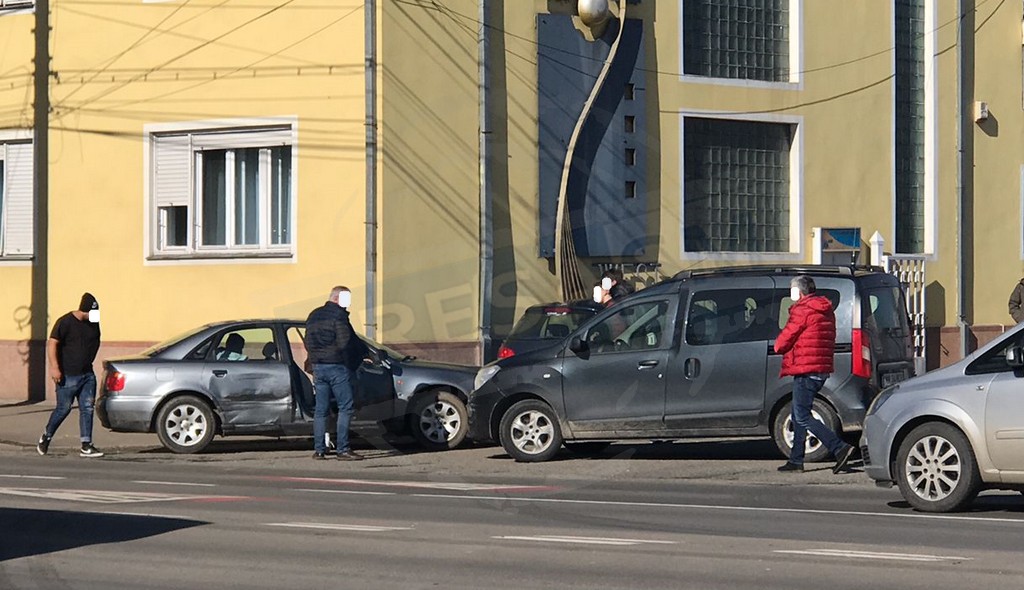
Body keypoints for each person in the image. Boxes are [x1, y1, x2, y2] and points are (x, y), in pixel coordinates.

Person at [774, 276, 856, 474]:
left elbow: (783, 341)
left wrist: (778, 346)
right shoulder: (824, 309)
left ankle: (839, 447)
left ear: (798, 292)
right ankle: (796, 459)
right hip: (821, 367)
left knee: (801, 416)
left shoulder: (803, 310)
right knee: (798, 412)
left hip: (806, 368)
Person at [305, 286, 369, 461]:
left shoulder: (313, 315)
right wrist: (353, 362)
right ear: (337, 298)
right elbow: (345, 343)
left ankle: (319, 451)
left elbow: (307, 341)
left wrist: (315, 358)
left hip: (318, 366)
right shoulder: (339, 316)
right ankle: (343, 449)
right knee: (346, 407)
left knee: (321, 410)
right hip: (336, 366)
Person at [36, 292, 104, 458]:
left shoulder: (93, 323)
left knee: (87, 407)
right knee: (63, 409)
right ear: (84, 310)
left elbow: (95, 340)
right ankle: (46, 437)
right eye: (91, 313)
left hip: (87, 374)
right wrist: (54, 367)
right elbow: (52, 343)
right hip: (67, 375)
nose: (94, 317)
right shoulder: (65, 322)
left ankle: (86, 445)